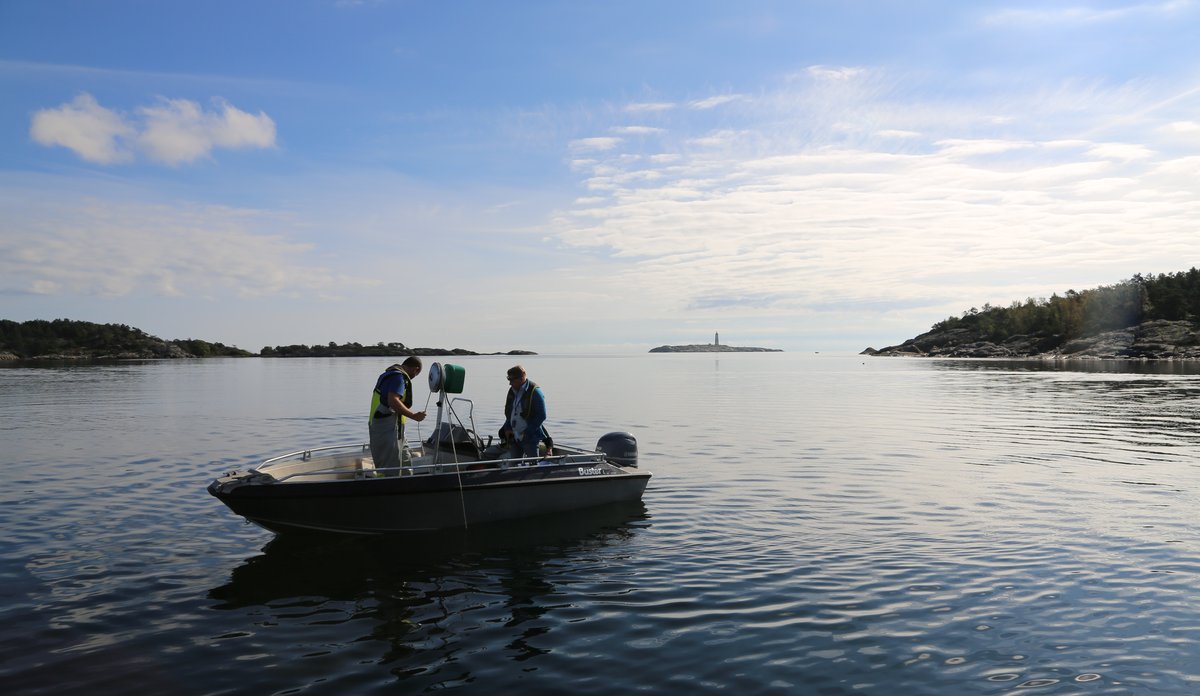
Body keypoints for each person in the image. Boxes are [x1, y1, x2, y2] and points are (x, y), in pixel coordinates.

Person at [368, 357, 427, 472]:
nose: (414, 377)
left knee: (405, 462)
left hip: (393, 429)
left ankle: (407, 484)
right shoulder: (398, 378)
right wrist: (414, 415)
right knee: (390, 467)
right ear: (416, 369)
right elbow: (392, 401)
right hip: (386, 428)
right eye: (416, 374)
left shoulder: (389, 374)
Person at [500, 365, 548, 461]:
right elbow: (510, 413)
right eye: (508, 379)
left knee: (533, 464)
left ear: (521, 377)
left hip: (529, 438)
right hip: (514, 437)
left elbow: (542, 415)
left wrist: (527, 433)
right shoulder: (512, 391)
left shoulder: (535, 392)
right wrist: (508, 427)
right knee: (514, 464)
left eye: (512, 380)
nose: (510, 383)